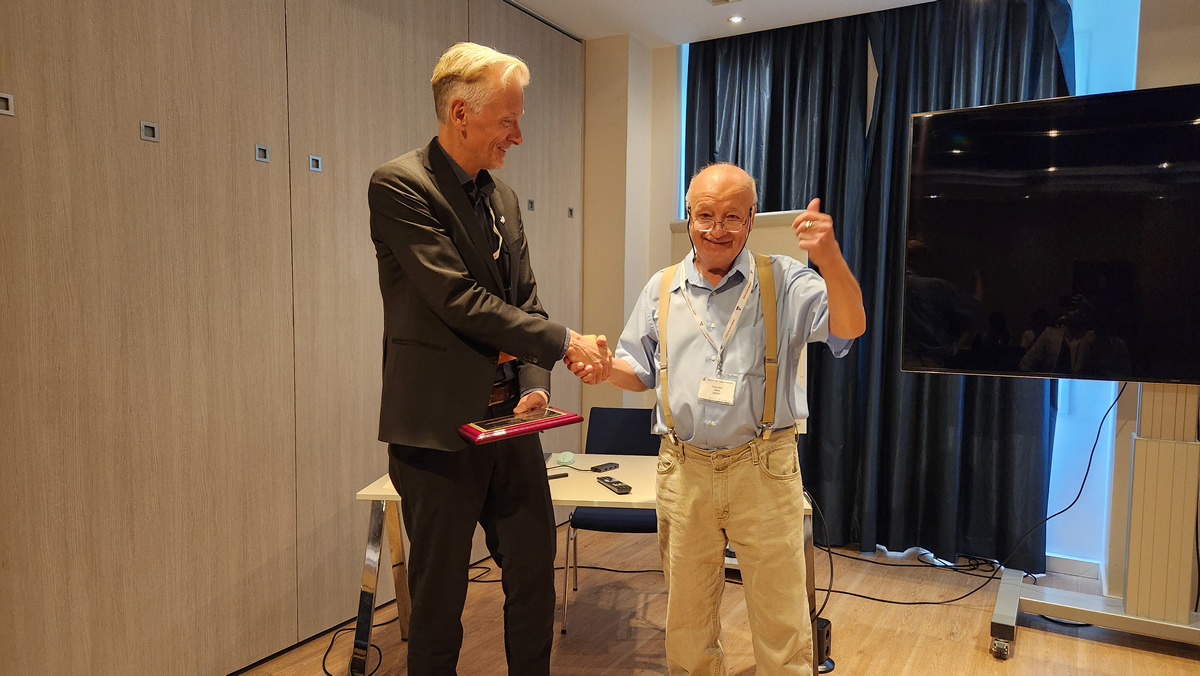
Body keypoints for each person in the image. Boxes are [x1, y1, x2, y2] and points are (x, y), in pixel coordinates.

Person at [368, 42, 611, 675]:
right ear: (460, 112)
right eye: (508, 120)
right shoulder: (400, 186)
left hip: (510, 424)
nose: (518, 136)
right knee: (439, 602)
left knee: (533, 576)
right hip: (437, 434)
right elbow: (458, 301)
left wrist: (535, 381)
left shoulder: (501, 195)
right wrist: (565, 342)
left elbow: (525, 299)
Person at [573, 163, 865, 674]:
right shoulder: (662, 288)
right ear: (689, 216)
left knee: (782, 623)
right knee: (687, 624)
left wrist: (830, 259)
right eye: (705, 215)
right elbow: (638, 371)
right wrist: (603, 368)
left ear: (751, 218)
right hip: (683, 470)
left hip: (764, 469)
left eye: (732, 216)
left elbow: (850, 326)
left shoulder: (784, 280)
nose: (717, 229)